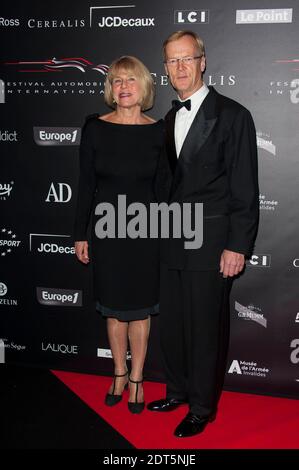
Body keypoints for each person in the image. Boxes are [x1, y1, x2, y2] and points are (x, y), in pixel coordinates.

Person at [147, 31, 259, 437]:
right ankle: (176, 390)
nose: (179, 68)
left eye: (187, 59)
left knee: (205, 326)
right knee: (174, 324)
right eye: (172, 61)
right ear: (165, 69)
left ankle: (201, 406)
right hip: (170, 239)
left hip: (211, 243)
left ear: (202, 61)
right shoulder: (167, 119)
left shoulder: (233, 115)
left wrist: (237, 245)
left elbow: (245, 188)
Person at [74, 56, 164, 414]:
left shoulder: (159, 131)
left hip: (145, 233)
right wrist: (80, 234)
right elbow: (86, 185)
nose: (123, 87)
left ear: (144, 86)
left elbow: (163, 188)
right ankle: (119, 372)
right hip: (106, 231)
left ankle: (138, 378)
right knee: (113, 310)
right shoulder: (95, 128)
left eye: (130, 80)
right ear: (110, 88)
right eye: (116, 81)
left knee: (140, 311)